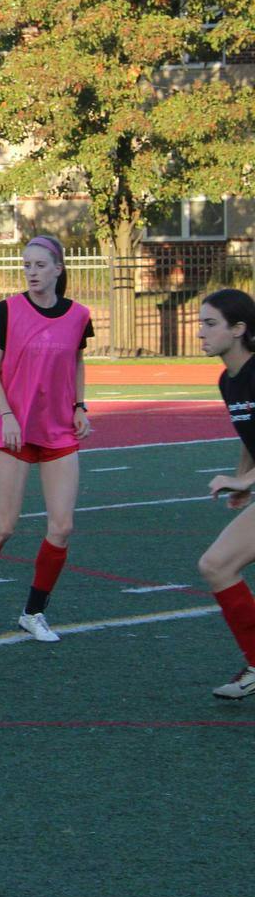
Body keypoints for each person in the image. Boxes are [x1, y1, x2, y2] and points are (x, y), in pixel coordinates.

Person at [0, 235, 93, 642]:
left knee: (61, 527)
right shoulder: (6, 311)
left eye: (40, 265)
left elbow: (76, 361)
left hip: (58, 430)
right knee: (4, 526)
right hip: (14, 427)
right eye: (27, 265)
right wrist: (6, 415)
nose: (32, 272)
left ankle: (33, 613)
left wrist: (81, 406)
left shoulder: (79, 315)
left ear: (58, 268)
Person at [190, 290, 255, 697]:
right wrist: (242, 478)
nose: (200, 333)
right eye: (201, 323)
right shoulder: (228, 380)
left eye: (210, 324)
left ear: (239, 329)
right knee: (216, 564)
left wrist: (247, 482)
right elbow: (252, 438)